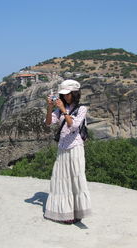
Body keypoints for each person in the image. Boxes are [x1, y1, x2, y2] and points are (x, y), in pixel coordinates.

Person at [44, 79, 92, 224]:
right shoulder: (59, 108)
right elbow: (48, 122)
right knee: (61, 180)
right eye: (63, 94)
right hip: (63, 148)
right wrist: (50, 107)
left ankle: (78, 212)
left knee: (76, 178)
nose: (65, 97)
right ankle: (66, 213)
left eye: (68, 94)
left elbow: (74, 126)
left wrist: (64, 111)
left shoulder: (82, 108)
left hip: (75, 147)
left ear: (75, 94)